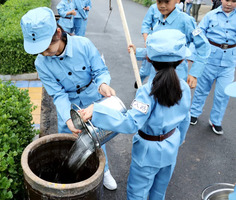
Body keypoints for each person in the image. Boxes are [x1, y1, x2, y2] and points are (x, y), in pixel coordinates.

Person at [80, 29, 192, 200]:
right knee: (159, 192)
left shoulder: (147, 91)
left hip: (148, 152)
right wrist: (178, 141)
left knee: (137, 193)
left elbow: (131, 123)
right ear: (182, 60)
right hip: (171, 146)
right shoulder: (184, 87)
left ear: (148, 59)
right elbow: (185, 118)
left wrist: (97, 110)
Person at [20, 7, 117, 190]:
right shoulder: (41, 63)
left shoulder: (84, 45)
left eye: (47, 47)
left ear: (58, 33)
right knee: (69, 141)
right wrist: (67, 118)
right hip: (68, 106)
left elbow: (100, 71)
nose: (44, 53)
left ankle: (104, 171)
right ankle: (71, 178)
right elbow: (58, 94)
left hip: (92, 101)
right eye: (39, 51)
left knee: (96, 138)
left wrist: (102, 84)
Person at [190, 0, 236, 135]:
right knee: (202, 89)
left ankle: (216, 120)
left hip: (229, 62)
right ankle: (194, 113)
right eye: (227, 0)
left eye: (234, 1)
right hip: (209, 59)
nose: (229, 4)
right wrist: (192, 56)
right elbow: (198, 34)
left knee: (223, 93)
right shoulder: (210, 15)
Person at [142, 0, 211, 89]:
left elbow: (204, 46)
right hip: (156, 75)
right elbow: (156, 50)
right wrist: (136, 51)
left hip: (175, 76)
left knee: (173, 101)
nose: (162, 5)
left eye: (167, 2)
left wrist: (194, 73)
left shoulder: (186, 20)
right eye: (159, 2)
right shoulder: (158, 21)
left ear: (177, 0)